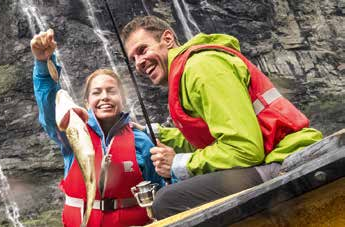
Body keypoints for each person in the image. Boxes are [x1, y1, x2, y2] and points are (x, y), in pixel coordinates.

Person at [121, 16, 323, 219]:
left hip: (284, 160)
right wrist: (158, 134)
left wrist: (180, 164)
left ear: (167, 39)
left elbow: (244, 149)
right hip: (268, 159)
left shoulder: (201, 68)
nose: (139, 63)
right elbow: (211, 136)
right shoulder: (188, 72)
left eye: (143, 50)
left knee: (168, 201)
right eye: (133, 59)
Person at [31, 29, 164, 227]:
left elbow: (161, 187)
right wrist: (44, 64)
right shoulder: (72, 132)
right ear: (87, 102)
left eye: (112, 91)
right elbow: (50, 107)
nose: (104, 97)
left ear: (122, 99)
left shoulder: (141, 140)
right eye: (97, 92)